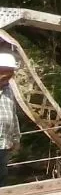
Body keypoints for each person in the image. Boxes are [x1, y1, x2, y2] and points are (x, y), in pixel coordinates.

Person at [0, 51, 20, 187]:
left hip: (4, 143)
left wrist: (16, 138)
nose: (9, 75)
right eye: (6, 71)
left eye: (11, 72)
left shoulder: (9, 90)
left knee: (2, 177)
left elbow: (13, 114)